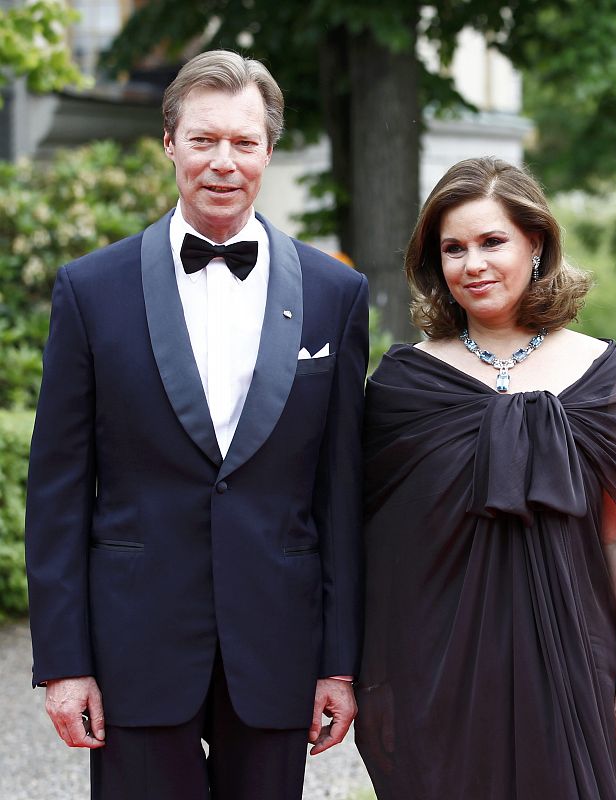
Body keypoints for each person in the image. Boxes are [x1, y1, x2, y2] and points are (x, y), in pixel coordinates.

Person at [25, 50, 369, 800]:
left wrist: (338, 663)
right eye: (204, 139)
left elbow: (339, 492)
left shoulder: (336, 293)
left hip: (277, 643)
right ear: (170, 143)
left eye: (244, 143)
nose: (224, 161)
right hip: (133, 640)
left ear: (268, 151)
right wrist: (62, 662)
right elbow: (55, 488)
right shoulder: (91, 290)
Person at [355, 157, 616, 799]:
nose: (473, 265)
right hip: (435, 672)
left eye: (492, 241)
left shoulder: (602, 375)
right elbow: (373, 537)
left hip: (574, 658)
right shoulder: (403, 384)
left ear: (536, 242)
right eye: (453, 249)